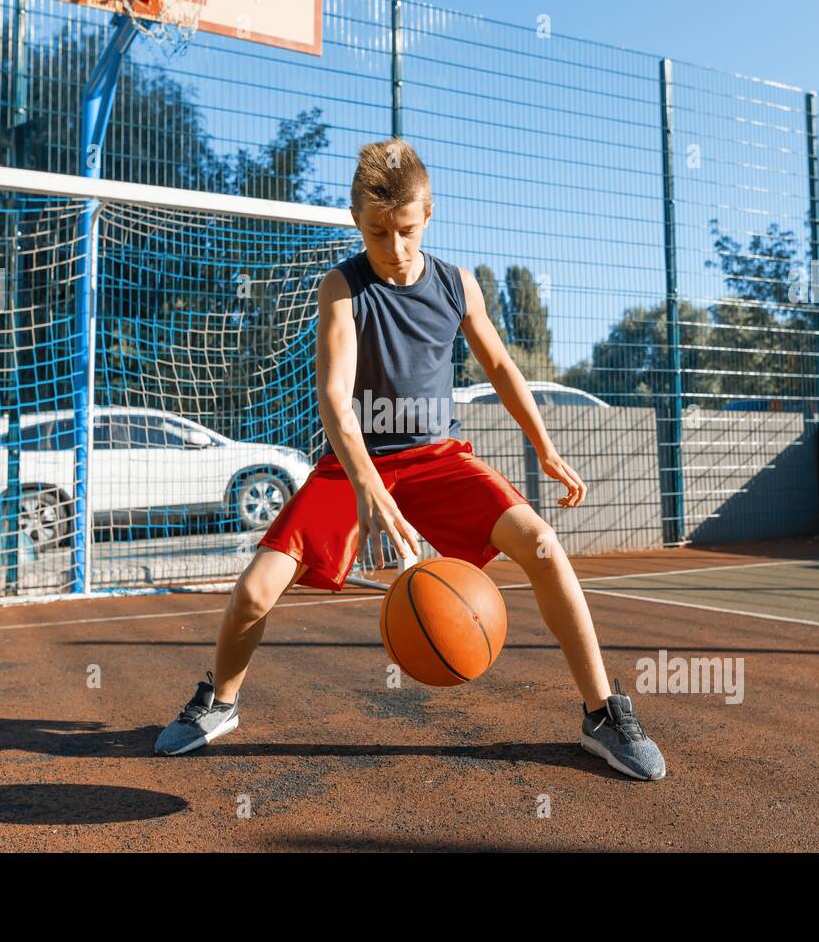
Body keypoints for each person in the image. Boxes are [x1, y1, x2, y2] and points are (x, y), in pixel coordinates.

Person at [155, 138, 666, 781]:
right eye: (377, 232)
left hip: (437, 457)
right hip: (353, 465)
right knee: (255, 590)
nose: (393, 249)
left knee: (541, 545)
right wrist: (369, 485)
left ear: (429, 215)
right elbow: (336, 400)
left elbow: (502, 367)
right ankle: (220, 702)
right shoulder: (342, 287)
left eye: (405, 230)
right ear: (354, 220)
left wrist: (546, 447)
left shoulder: (457, 284)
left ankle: (602, 713)